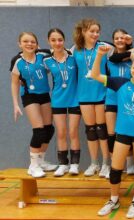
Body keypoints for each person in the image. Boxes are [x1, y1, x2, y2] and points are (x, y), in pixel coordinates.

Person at [92, 45, 134, 218]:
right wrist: (99, 55)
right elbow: (96, 75)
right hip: (123, 132)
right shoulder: (120, 83)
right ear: (131, 68)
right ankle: (113, 199)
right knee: (116, 168)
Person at [10, 32, 57, 178]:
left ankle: (41, 161)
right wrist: (16, 105)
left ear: (37, 44)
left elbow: (60, 52)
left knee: (49, 130)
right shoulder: (17, 61)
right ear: (20, 44)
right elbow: (14, 83)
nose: (29, 44)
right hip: (29, 97)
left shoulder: (43, 56)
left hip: (44, 95)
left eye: (32, 42)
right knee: (39, 131)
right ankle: (33, 165)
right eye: (25, 41)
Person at [71, 18, 110, 177]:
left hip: (101, 94)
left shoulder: (105, 47)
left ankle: (106, 164)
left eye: (97, 31)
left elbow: (125, 49)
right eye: (91, 31)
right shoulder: (75, 50)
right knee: (91, 131)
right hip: (84, 95)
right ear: (83, 32)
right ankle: (94, 163)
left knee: (102, 130)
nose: (95, 34)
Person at [44, 28, 81, 176]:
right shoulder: (46, 61)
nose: (57, 43)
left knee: (73, 132)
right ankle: (63, 164)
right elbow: (33, 72)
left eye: (60, 40)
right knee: (61, 132)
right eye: (53, 40)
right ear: (49, 42)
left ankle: (75, 164)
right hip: (58, 100)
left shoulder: (73, 57)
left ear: (64, 41)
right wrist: (22, 81)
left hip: (75, 99)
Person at [105, 29, 134, 176]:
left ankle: (130, 163)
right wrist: (132, 49)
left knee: (127, 132)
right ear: (113, 40)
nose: (119, 40)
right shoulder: (110, 55)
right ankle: (114, 164)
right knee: (111, 134)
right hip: (111, 98)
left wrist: (132, 46)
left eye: (122, 38)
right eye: (116, 38)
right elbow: (115, 58)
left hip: (128, 100)